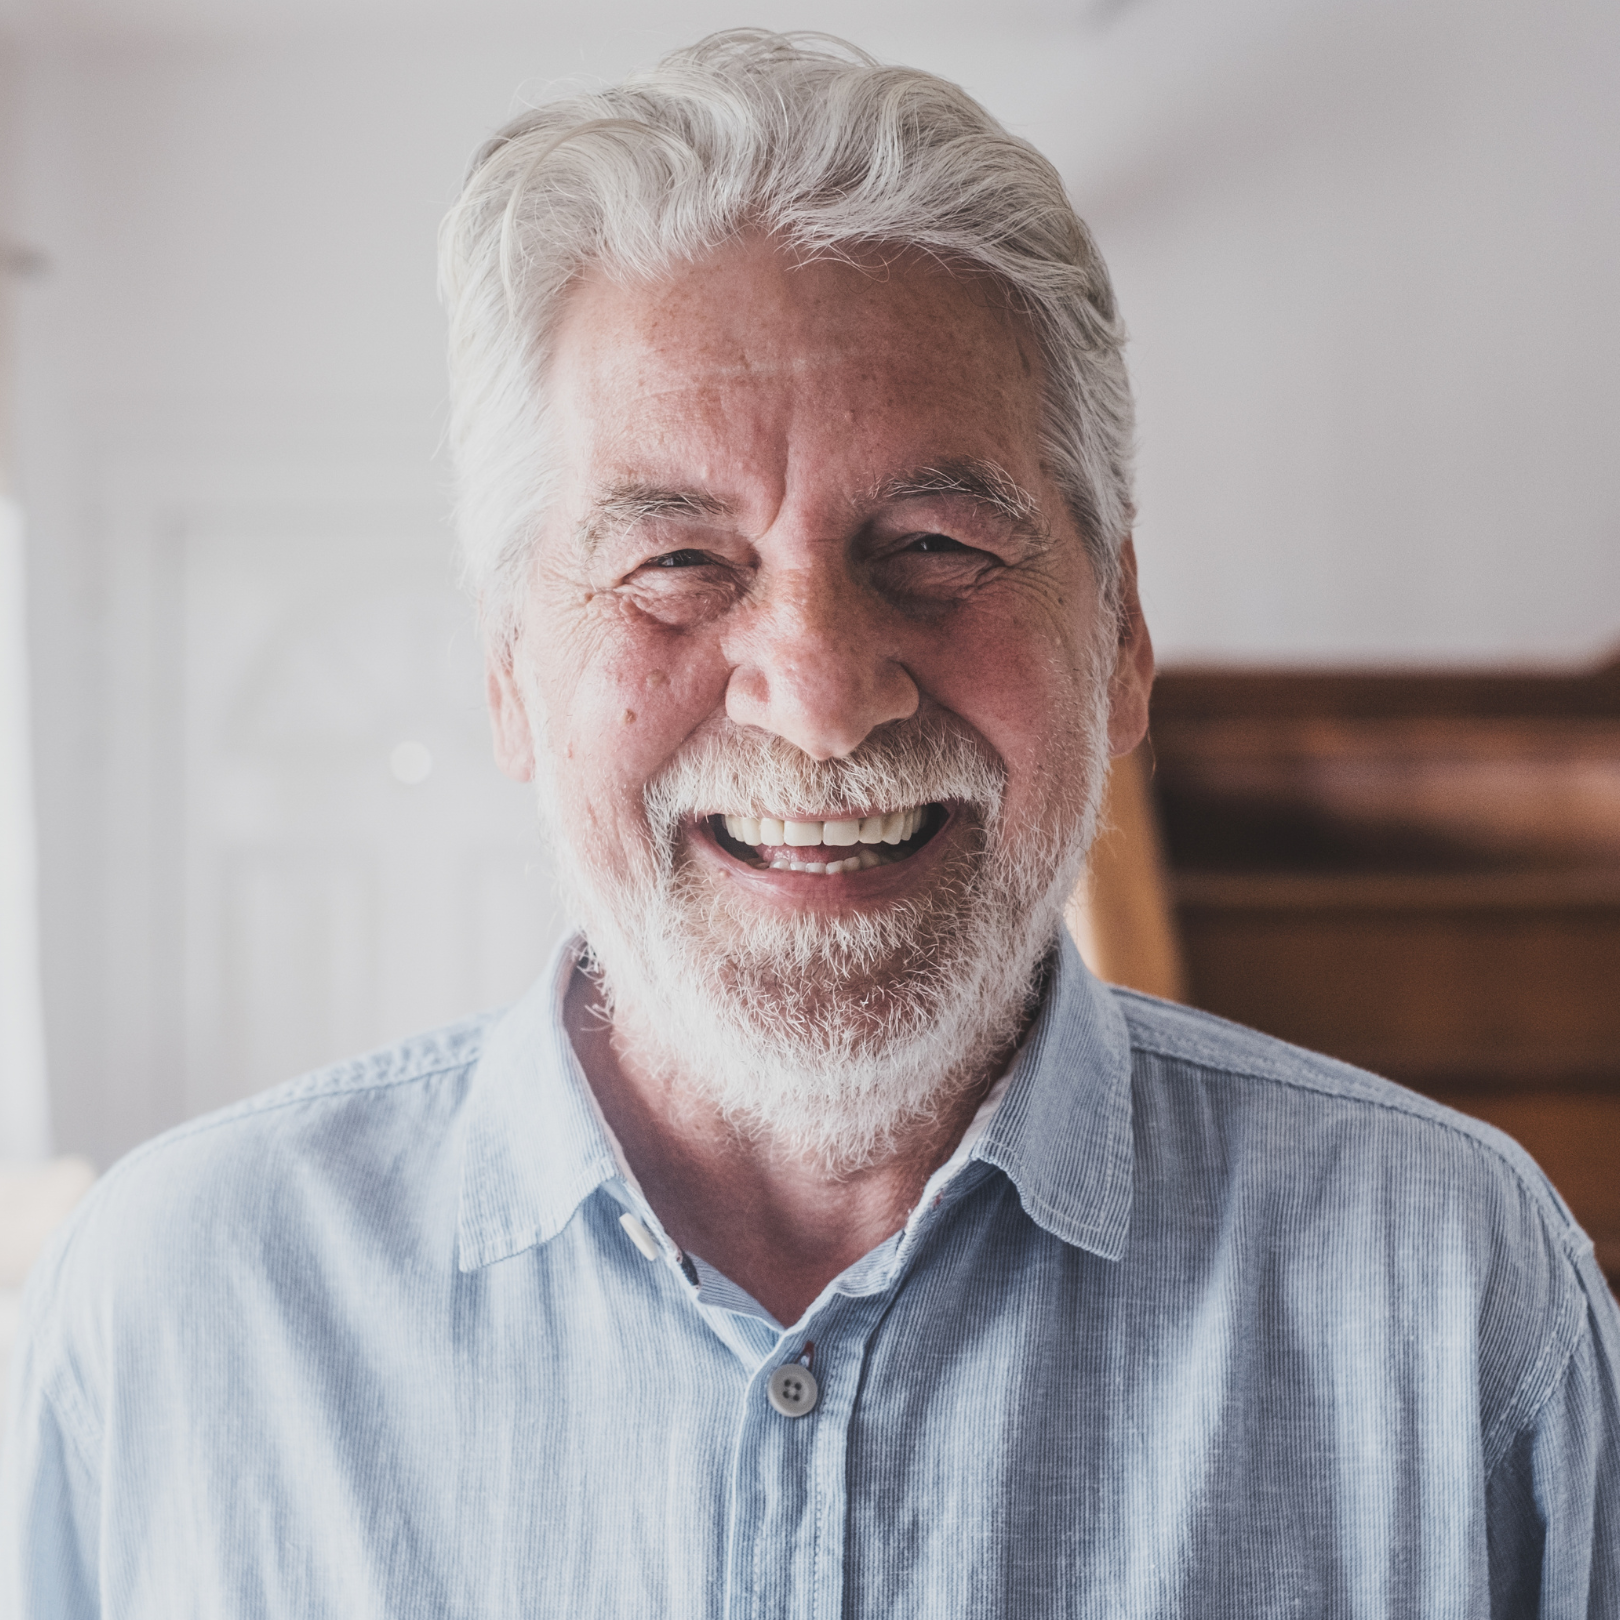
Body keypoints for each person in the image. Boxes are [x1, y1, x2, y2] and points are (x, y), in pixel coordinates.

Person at [4, 31, 1617, 1618]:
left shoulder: (1463, 1299)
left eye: (935, 543)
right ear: (509, 676)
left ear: (1122, 637)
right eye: (677, 566)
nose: (823, 696)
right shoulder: (178, 1305)